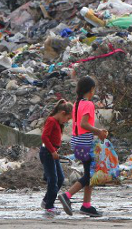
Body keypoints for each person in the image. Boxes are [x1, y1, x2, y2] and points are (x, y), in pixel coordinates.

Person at [58, 76, 108, 217]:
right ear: (91, 90)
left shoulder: (77, 104)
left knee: (88, 173)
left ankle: (86, 205)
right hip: (85, 143)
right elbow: (84, 124)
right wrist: (99, 132)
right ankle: (67, 195)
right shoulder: (89, 104)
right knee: (90, 175)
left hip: (77, 140)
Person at [40, 99, 73, 217]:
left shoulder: (57, 122)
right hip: (47, 153)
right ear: (63, 113)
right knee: (53, 180)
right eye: (68, 118)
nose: (67, 121)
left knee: (60, 179)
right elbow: (44, 137)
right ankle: (49, 207)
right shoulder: (51, 121)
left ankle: (46, 201)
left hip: (53, 153)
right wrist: (53, 151)